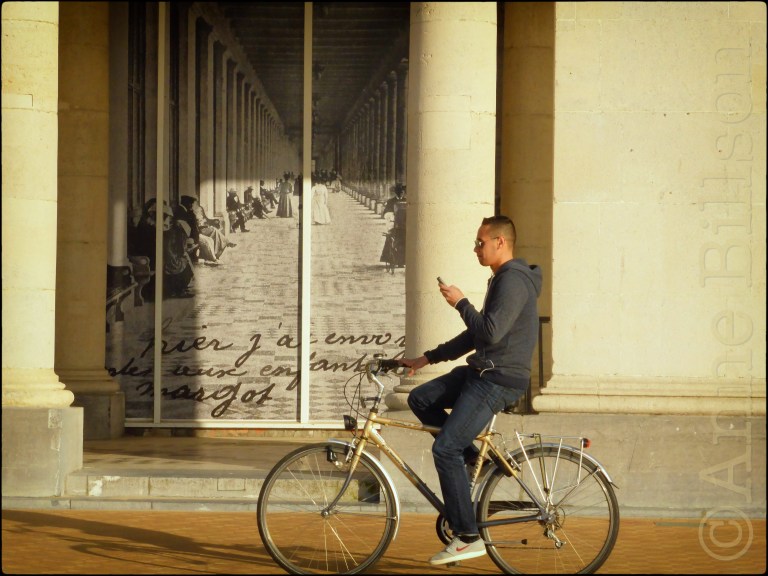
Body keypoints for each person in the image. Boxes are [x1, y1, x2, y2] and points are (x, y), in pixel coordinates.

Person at [398, 215, 542, 566]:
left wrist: (461, 303)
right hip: (482, 372)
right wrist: (427, 358)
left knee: (444, 449)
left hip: (498, 380)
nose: (476, 249)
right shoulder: (501, 280)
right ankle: (469, 460)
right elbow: (477, 336)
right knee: (420, 398)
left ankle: (466, 536)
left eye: (481, 242)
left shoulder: (513, 281)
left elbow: (489, 332)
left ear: (500, 243)